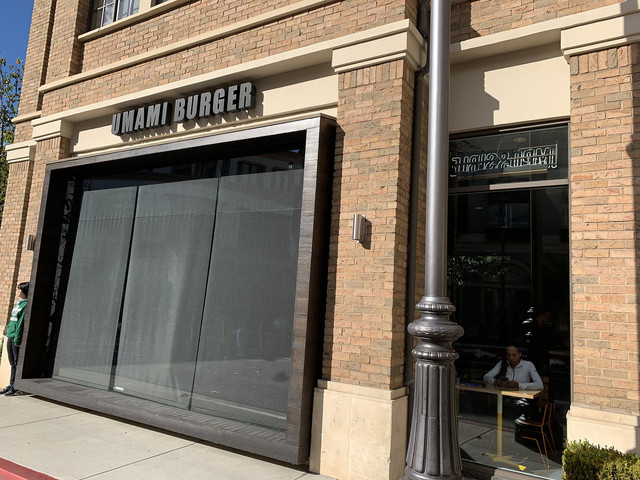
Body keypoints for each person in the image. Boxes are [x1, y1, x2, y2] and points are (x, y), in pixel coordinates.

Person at [1, 282, 29, 396]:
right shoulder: (19, 303)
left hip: (16, 337)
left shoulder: (25, 305)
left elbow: (21, 323)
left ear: (24, 291)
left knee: (17, 363)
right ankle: (11, 384)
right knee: (12, 362)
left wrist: (17, 340)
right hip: (10, 334)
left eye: (19, 289)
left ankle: (16, 386)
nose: (18, 291)